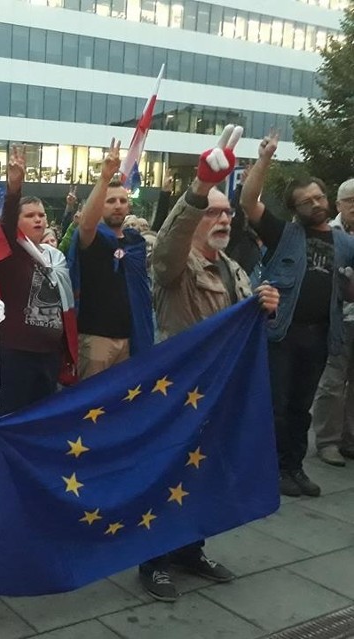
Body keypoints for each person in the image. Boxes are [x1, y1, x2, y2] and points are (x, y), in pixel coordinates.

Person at [144, 125, 280, 602]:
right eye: (214, 213)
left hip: (219, 394)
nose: (223, 219)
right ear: (197, 219)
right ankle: (154, 559)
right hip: (178, 392)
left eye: (227, 212)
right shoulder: (176, 268)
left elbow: (248, 330)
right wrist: (199, 189)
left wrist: (265, 304)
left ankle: (190, 548)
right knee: (167, 473)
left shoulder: (235, 268)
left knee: (202, 473)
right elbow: (165, 251)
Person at [241, 132, 354, 497]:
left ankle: (294, 467)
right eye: (306, 202)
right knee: (276, 405)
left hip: (321, 335)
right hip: (281, 334)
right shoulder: (283, 234)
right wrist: (264, 160)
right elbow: (248, 201)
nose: (316, 204)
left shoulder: (344, 243)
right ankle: (271, 471)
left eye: (320, 197)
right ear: (295, 209)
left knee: (301, 408)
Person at [0, 147, 77, 416]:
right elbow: (7, 224)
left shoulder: (55, 257)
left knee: (44, 420)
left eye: (42, 215)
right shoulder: (12, 253)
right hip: (16, 355)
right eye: (30, 215)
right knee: (14, 418)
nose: (38, 219)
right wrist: (14, 189)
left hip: (49, 355)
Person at [67, 139, 154, 379]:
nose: (118, 206)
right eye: (110, 201)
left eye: (123, 201)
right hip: (96, 343)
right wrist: (104, 178)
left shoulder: (135, 243)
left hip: (132, 340)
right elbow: (86, 224)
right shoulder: (93, 239)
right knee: (89, 410)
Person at [311, 177, 354, 466]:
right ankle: (327, 441)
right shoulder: (329, 233)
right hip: (339, 317)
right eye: (351, 201)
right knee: (333, 381)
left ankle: (350, 438)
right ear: (338, 204)